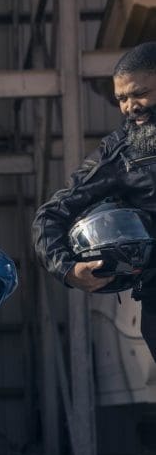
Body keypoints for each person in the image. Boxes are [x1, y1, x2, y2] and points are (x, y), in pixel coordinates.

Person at [32, 41, 156, 360]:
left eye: (139, 93)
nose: (130, 106)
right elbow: (50, 216)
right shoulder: (120, 154)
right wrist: (69, 270)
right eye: (122, 99)